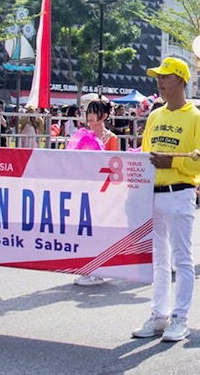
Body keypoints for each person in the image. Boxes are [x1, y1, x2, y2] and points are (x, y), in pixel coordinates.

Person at [132, 57, 200, 343]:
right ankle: (159, 315)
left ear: (181, 80)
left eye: (165, 76)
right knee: (158, 260)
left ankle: (180, 318)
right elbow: (146, 156)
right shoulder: (155, 116)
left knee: (182, 259)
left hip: (179, 194)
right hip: (153, 196)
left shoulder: (196, 118)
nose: (160, 80)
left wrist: (176, 165)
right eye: (158, 76)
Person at [74, 97, 119, 287]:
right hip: (85, 187)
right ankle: (87, 267)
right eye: (88, 113)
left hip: (103, 189)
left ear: (105, 116)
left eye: (94, 112)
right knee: (84, 229)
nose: (90, 117)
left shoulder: (111, 138)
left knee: (99, 230)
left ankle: (99, 270)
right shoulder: (82, 135)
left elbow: (114, 165)